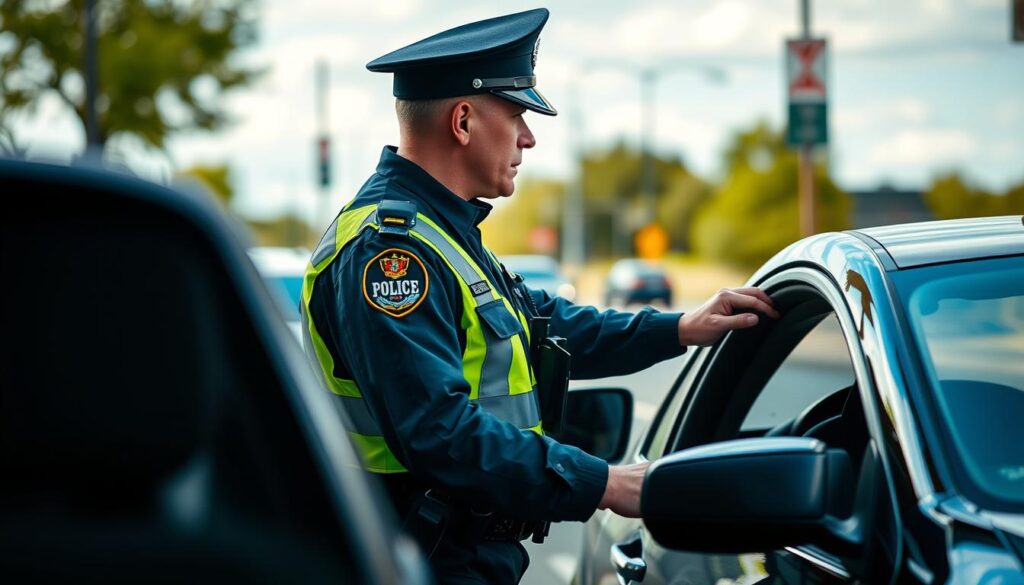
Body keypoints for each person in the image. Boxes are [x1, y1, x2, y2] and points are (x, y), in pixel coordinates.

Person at [300, 8, 779, 584]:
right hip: (428, 559)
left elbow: (543, 324)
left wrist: (679, 328)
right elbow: (440, 433)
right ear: (463, 121)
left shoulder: (442, 232)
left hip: (460, 553)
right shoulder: (390, 252)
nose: (529, 136)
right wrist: (606, 483)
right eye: (518, 113)